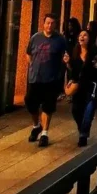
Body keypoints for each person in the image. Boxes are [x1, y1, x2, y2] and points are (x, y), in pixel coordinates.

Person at [25, 14, 68, 147]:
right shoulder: (35, 38)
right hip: (35, 78)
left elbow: (65, 56)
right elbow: (28, 53)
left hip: (51, 79)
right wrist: (32, 66)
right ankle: (36, 125)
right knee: (31, 102)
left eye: (52, 23)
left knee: (48, 106)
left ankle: (44, 133)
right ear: (43, 24)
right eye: (47, 23)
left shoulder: (60, 40)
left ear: (55, 25)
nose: (49, 25)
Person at [64, 30, 97, 145]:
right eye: (80, 35)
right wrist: (67, 63)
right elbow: (72, 69)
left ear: (89, 38)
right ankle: (82, 128)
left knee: (89, 110)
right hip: (78, 85)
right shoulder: (74, 51)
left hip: (91, 84)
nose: (82, 37)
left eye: (85, 35)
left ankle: (83, 135)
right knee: (76, 110)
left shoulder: (95, 51)